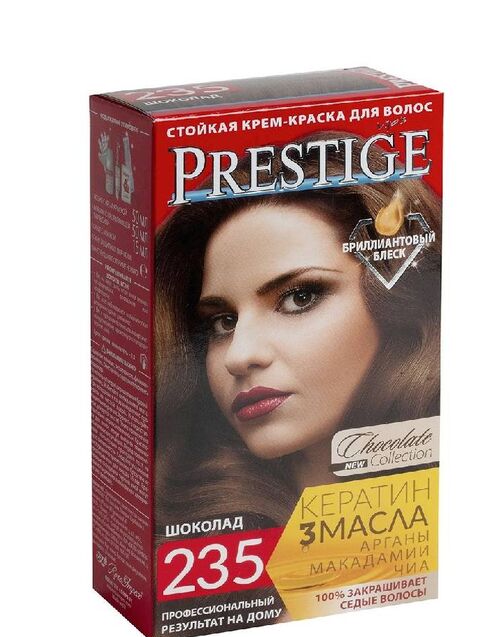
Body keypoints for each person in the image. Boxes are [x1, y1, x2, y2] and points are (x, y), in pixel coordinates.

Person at [154, 132, 441, 535]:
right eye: (223, 322)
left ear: (401, 304)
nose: (239, 356)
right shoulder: (188, 539)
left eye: (299, 297)